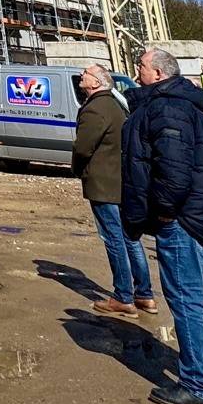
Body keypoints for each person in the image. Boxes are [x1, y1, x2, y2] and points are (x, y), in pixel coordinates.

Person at [122, 47, 203, 404]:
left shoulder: (167, 107)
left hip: (186, 220)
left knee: (186, 300)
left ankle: (197, 384)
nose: (137, 70)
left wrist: (163, 212)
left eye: (142, 66)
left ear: (159, 74)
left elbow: (173, 171)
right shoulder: (192, 102)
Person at [72, 63, 156, 317]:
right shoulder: (116, 104)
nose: (81, 76)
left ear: (96, 82)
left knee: (114, 239)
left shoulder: (95, 109)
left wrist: (77, 169)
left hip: (103, 184)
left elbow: (83, 148)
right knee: (131, 238)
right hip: (120, 181)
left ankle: (123, 296)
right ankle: (145, 294)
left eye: (85, 74)